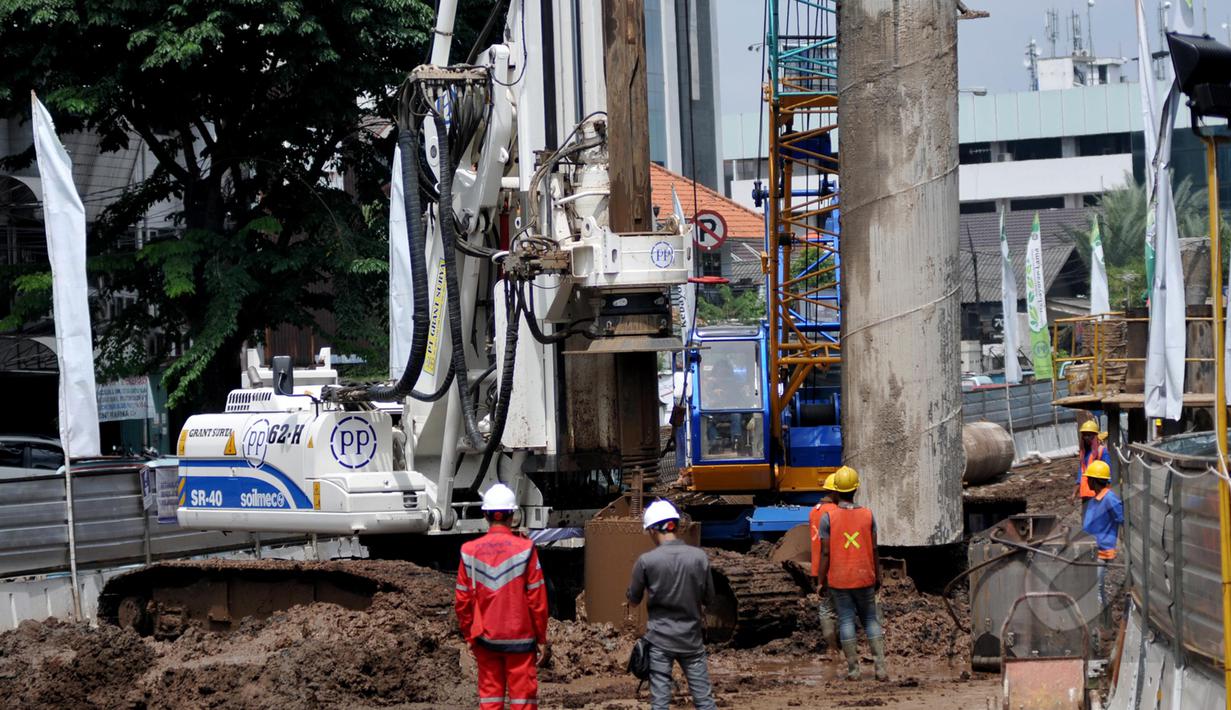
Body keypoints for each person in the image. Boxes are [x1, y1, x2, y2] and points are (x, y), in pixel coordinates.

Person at [455, 484, 550, 710]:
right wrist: (541, 637)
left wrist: (470, 635)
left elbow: (462, 601)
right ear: (512, 515)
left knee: (490, 701)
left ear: (486, 515)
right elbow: (537, 600)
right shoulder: (526, 549)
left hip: (485, 639)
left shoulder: (469, 551)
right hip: (521, 639)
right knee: (523, 701)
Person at [627, 500, 717, 710]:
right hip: (692, 641)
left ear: (652, 530)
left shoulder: (647, 561)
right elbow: (710, 599)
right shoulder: (699, 557)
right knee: (704, 701)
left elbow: (634, 598)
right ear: (674, 525)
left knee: (660, 703)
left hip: (660, 641)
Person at [816, 466, 887, 681]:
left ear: (836, 491)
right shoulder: (867, 514)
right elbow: (875, 549)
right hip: (865, 575)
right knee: (871, 620)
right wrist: (877, 575)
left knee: (846, 621)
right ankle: (881, 669)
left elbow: (826, 553)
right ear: (856, 489)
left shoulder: (828, 518)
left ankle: (854, 671)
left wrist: (821, 581)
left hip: (840, 580)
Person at [1080, 460, 1123, 615]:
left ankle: (1098, 627)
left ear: (1094, 480)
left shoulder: (1110, 499)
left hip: (1101, 551)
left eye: (1088, 479)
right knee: (1096, 588)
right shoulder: (1095, 500)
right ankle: (1105, 623)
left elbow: (1122, 519)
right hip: (1091, 549)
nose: (1087, 482)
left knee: (1095, 589)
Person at [810, 475, 841, 651]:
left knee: (826, 609)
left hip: (818, 568)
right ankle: (839, 647)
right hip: (833, 568)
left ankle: (831, 648)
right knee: (840, 609)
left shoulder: (814, 510)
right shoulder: (835, 513)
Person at [1073, 420, 1111, 516]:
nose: (1086, 438)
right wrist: (1075, 492)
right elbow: (1081, 471)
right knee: (1087, 522)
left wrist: (1105, 493)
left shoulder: (1102, 451)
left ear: (1095, 436)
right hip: (1086, 493)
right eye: (1085, 435)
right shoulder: (1084, 452)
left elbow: (1109, 473)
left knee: (1097, 521)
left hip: (1097, 493)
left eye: (1089, 435)